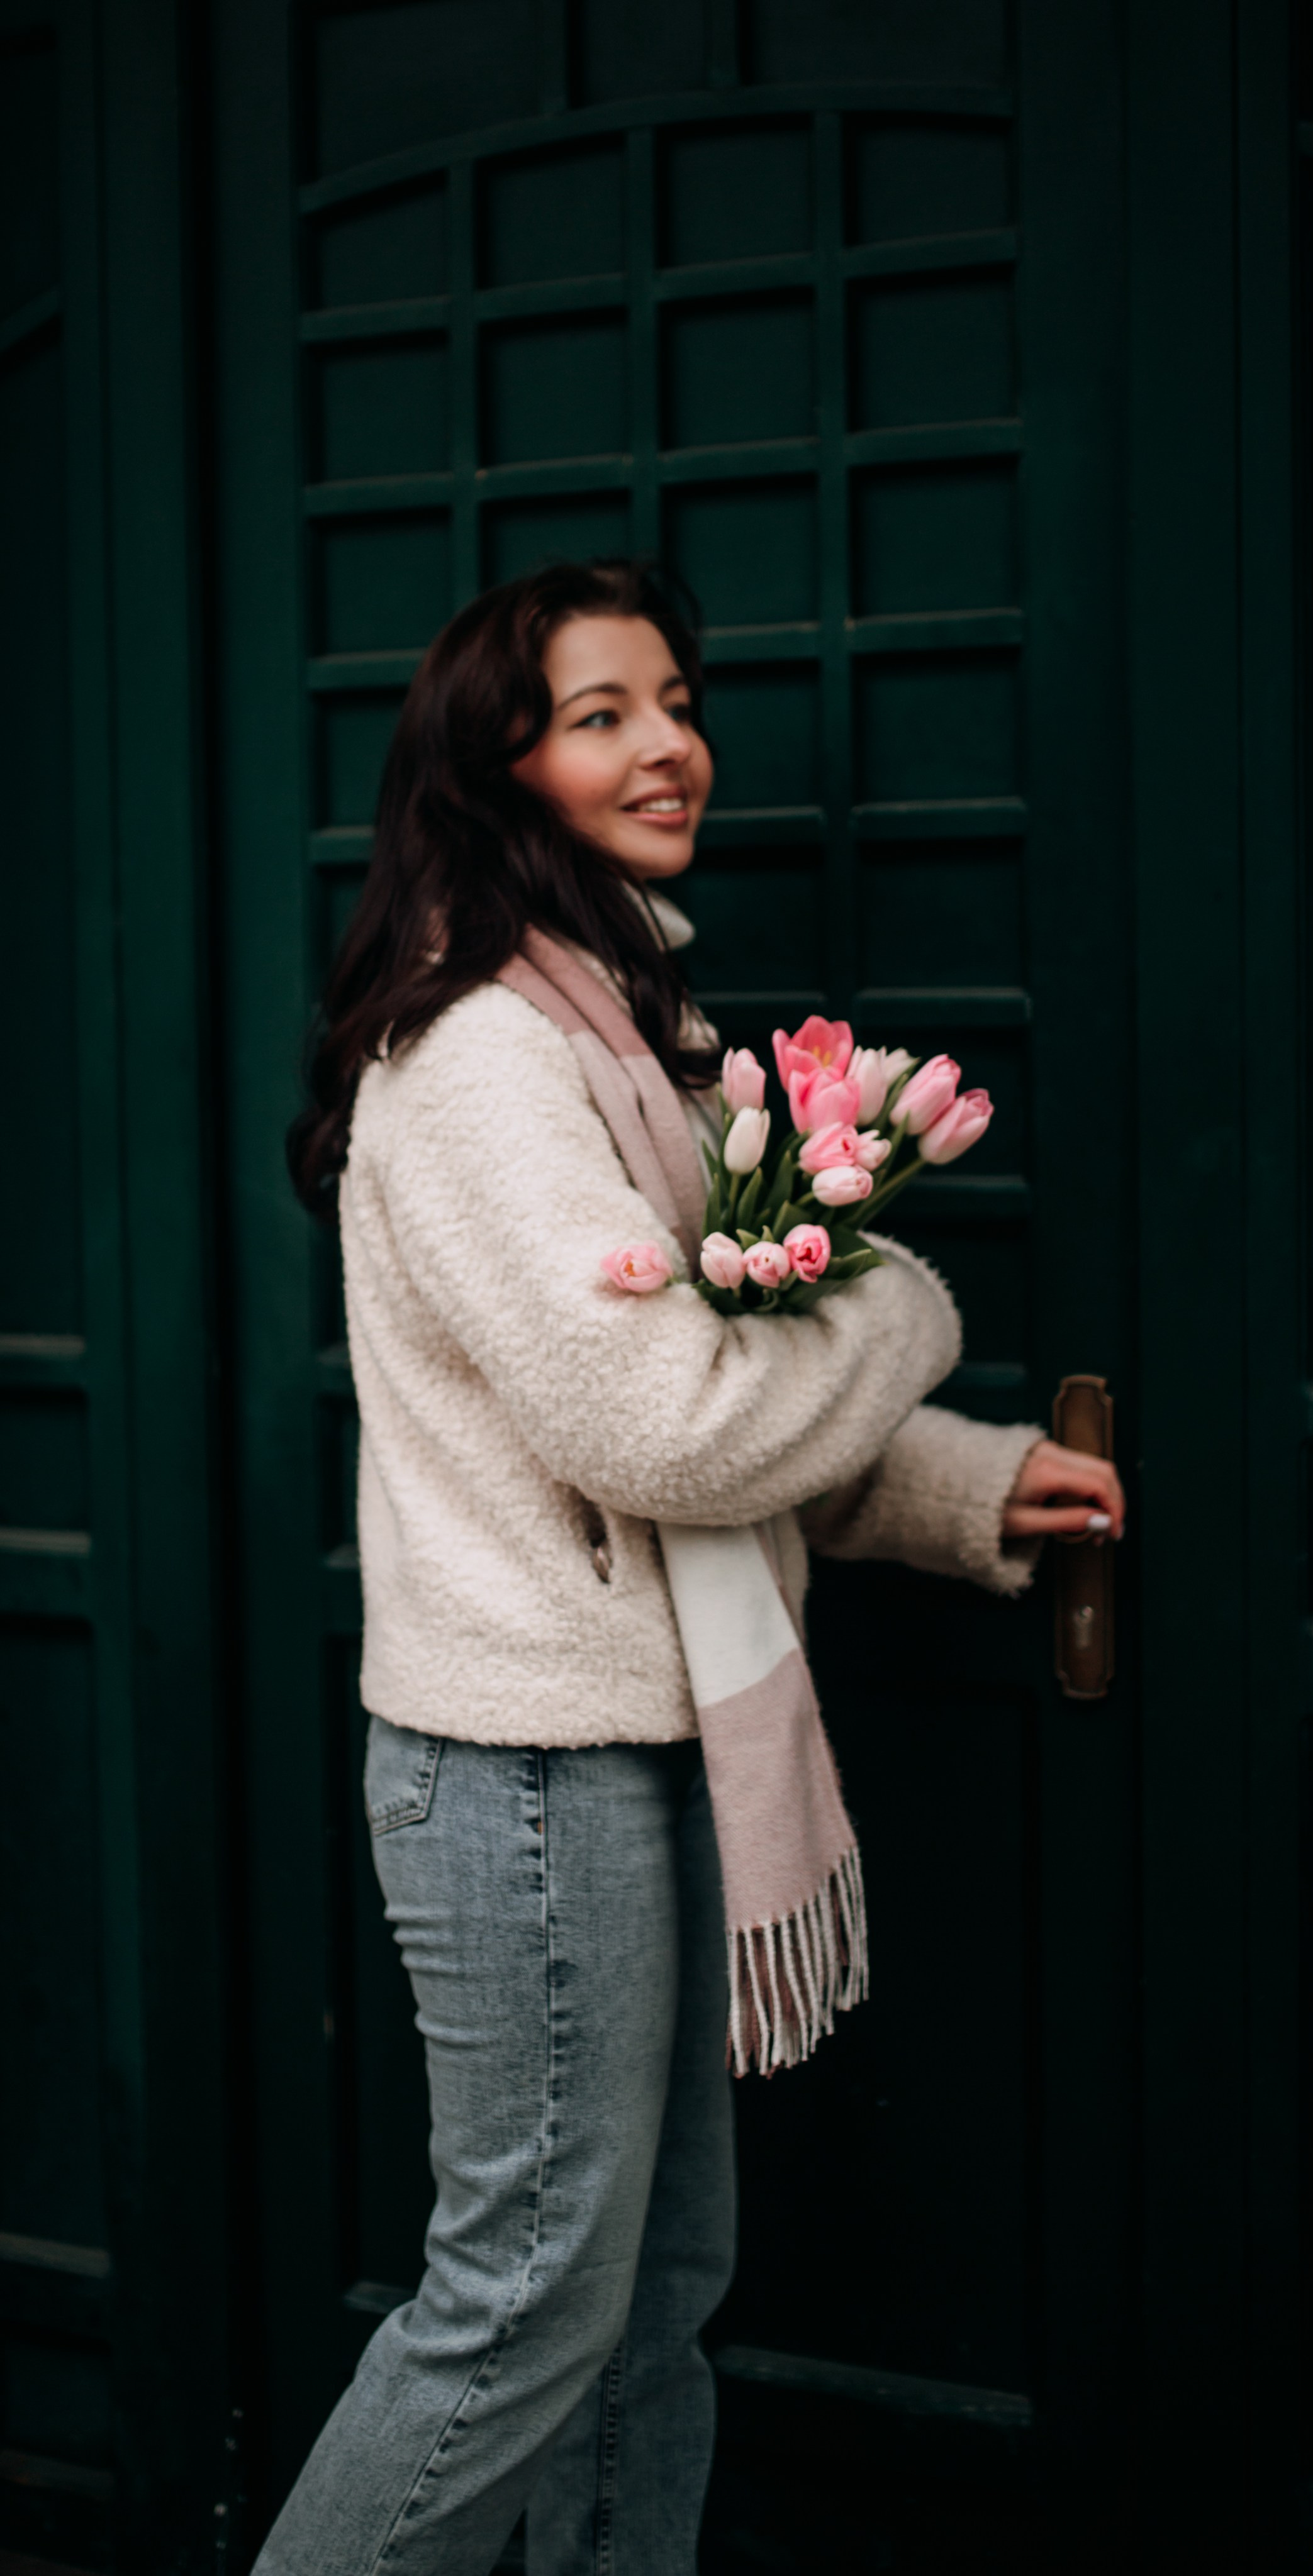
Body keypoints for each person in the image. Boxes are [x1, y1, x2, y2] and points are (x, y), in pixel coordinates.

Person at [265, 559, 1126, 2575]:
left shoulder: (631, 1034)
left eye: (676, 699)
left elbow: (722, 1433)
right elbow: (666, 1426)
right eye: (600, 713)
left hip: (625, 1753)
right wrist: (903, 1305)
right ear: (498, 771)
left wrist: (969, 1490)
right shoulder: (485, 1056)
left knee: (649, 2309)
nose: (669, 745)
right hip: (533, 1778)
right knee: (520, 2312)